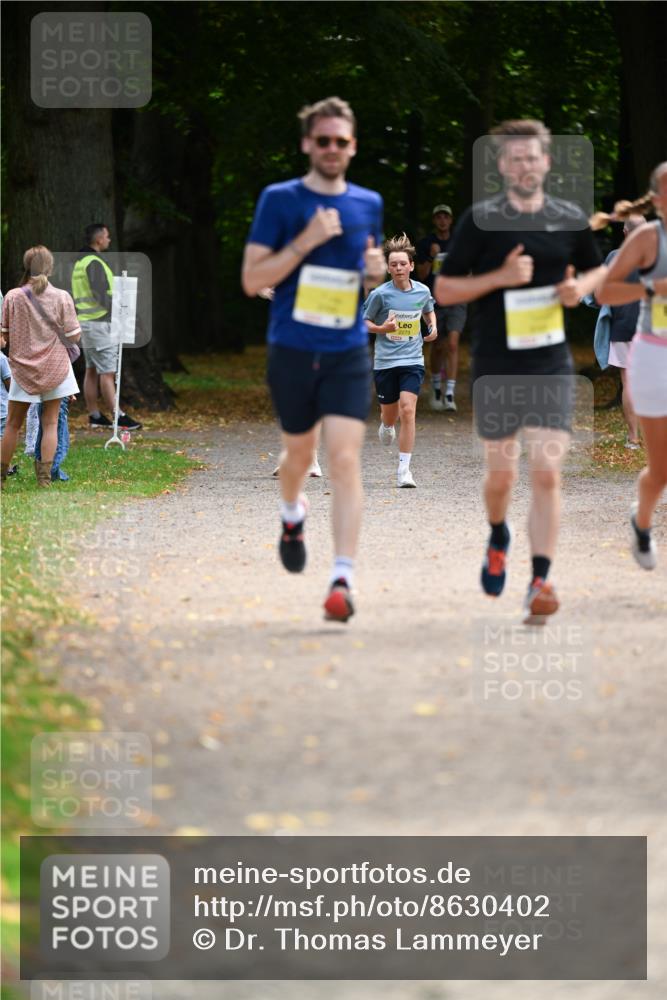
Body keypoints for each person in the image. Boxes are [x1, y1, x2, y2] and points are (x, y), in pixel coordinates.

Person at [436, 120, 606, 623]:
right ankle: (497, 534)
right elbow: (445, 291)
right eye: (516, 158)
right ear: (502, 165)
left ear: (546, 162)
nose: (526, 165)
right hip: (497, 362)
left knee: (547, 472)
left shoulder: (568, 218)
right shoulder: (479, 220)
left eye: (534, 157)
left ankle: (540, 580)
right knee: (502, 475)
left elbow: (597, 268)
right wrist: (501, 278)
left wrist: (582, 288)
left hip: (551, 361)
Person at [242, 96, 385, 622]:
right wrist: (304, 242)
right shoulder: (279, 200)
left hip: (347, 348)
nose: (331, 149)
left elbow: (362, 277)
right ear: (307, 144)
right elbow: (254, 279)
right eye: (322, 140)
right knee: (298, 458)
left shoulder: (368, 202)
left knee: (345, 458)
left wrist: (372, 273)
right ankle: (291, 511)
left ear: (353, 147)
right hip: (293, 348)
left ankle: (342, 579)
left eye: (341, 142)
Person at [596, 162, 667, 570]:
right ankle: (641, 523)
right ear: (656, 201)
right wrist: (649, 287)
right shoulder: (644, 239)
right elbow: (605, 289)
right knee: (659, 470)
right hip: (654, 354)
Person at [0, 246, 81, 487]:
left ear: (26, 266)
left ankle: (1, 478)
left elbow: (2, 337)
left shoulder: (13, 297)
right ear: (50, 267)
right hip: (56, 367)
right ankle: (44, 480)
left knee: (13, 424)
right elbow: (74, 337)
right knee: (50, 422)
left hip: (22, 369)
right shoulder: (62, 297)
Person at [363, 233, 437, 487]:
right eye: (393, 264)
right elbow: (365, 323)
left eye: (403, 264)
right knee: (390, 415)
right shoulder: (380, 295)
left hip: (412, 359)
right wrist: (383, 329)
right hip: (385, 362)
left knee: (408, 409)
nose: (398, 268)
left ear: (411, 266)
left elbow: (428, 309)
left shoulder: (422, 290)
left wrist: (433, 327)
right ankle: (386, 425)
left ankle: (404, 471)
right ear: (388, 267)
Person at [71, 223, 141, 431]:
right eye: (107, 236)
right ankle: (118, 416)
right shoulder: (94, 262)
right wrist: (118, 314)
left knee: (91, 370)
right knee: (107, 372)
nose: (109, 240)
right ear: (99, 239)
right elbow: (102, 293)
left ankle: (94, 415)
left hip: (86, 322)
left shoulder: (80, 263)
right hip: (101, 323)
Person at [585, 214, 646, 448]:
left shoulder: (613, 258)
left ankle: (633, 439)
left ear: (625, 232)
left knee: (629, 382)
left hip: (623, 327)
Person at [416, 205, 467, 410]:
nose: (442, 220)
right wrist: (431, 256)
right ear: (434, 220)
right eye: (439, 217)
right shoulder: (427, 243)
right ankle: (436, 387)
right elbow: (420, 275)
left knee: (453, 343)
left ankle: (449, 394)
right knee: (437, 345)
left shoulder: (460, 242)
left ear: (451, 220)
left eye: (446, 216)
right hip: (434, 300)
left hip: (457, 299)